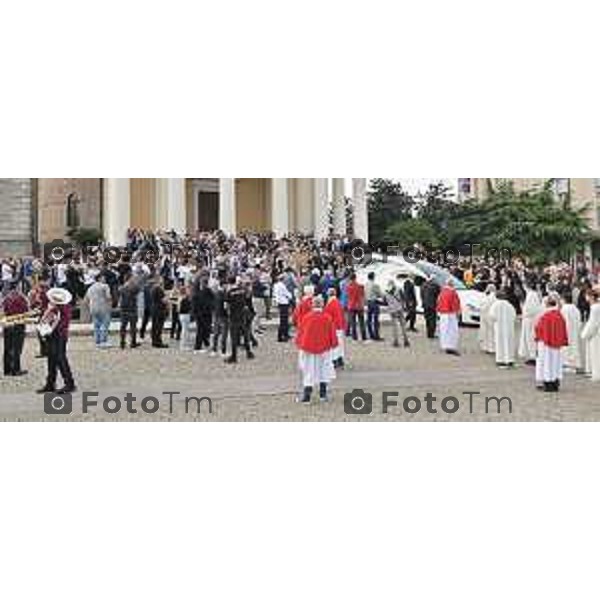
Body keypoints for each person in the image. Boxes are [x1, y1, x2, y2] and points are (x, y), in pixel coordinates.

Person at [296, 296, 338, 403]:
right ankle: (323, 395)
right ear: (322, 304)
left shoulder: (307, 317)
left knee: (308, 370)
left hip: (308, 348)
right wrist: (333, 344)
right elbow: (332, 333)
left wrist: (300, 344)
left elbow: (301, 332)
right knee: (324, 370)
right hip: (324, 348)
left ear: (312, 305)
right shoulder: (327, 317)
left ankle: (307, 396)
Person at [36, 288, 76, 394]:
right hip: (52, 335)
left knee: (61, 358)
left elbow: (63, 323)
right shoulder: (53, 307)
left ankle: (69, 383)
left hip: (60, 335)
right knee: (51, 359)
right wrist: (49, 310)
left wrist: (53, 310)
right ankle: (50, 384)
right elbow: (44, 320)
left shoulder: (65, 307)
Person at [535, 296, 569, 392]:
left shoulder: (545, 316)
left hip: (546, 344)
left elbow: (539, 329)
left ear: (547, 304)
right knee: (556, 362)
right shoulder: (560, 315)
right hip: (557, 344)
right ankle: (555, 382)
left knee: (546, 362)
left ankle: (548, 383)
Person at [224, 276, 255, 364]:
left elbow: (226, 306)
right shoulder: (242, 290)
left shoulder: (229, 292)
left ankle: (234, 356)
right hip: (242, 315)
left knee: (234, 336)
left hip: (234, 317)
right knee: (245, 334)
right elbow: (246, 300)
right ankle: (249, 352)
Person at [2, 281, 29, 377]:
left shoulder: (6, 299)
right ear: (17, 287)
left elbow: (3, 311)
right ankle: (15, 369)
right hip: (18, 324)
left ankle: (7, 369)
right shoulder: (21, 298)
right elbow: (26, 311)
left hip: (8, 324)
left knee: (7, 347)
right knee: (17, 348)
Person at [83, 274, 113, 348]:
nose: (105, 279)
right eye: (103, 278)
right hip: (103, 307)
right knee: (104, 324)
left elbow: (86, 299)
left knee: (96, 325)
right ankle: (103, 341)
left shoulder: (90, 287)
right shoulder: (105, 286)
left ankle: (97, 341)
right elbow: (108, 297)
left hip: (93, 308)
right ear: (100, 278)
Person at [489, 289, 517, 368]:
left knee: (500, 343)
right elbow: (514, 316)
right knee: (509, 343)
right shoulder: (509, 305)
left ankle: (500, 360)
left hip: (499, 327)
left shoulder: (495, 305)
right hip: (508, 327)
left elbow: (492, 316)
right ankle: (509, 359)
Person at [518, 281, 542, 366]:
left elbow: (531, 309)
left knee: (531, 338)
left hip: (530, 320)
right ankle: (532, 355)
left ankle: (533, 357)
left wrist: (524, 314)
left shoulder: (531, 295)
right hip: (530, 319)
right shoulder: (532, 294)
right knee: (529, 338)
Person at [436, 279, 461, 356]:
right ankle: (451, 346)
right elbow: (455, 303)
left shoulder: (442, 292)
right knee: (452, 330)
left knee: (444, 330)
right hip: (450, 313)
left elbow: (438, 302)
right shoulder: (453, 292)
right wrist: (457, 312)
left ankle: (444, 345)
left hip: (443, 313)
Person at [384, 277, 410, 349]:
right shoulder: (399, 289)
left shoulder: (386, 292)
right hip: (399, 309)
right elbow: (404, 298)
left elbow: (385, 302)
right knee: (403, 325)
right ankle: (406, 341)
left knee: (394, 326)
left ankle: (396, 341)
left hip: (392, 310)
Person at [561, 292, 584, 373]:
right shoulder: (576, 308)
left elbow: (563, 321)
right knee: (575, 347)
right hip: (574, 331)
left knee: (567, 349)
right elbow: (579, 320)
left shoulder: (564, 308)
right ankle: (576, 364)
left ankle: (568, 365)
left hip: (567, 331)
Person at [581, 288, 600, 382]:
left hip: (596, 334)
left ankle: (597, 374)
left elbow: (593, 323)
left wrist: (584, 334)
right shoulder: (596, 306)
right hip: (596, 333)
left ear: (592, 297)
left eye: (587, 295)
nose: (586, 297)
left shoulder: (595, 308)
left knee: (596, 353)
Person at [192, 276, 215, 353]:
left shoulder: (208, 291)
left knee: (205, 329)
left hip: (206, 313)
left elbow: (213, 301)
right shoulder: (197, 292)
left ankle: (206, 343)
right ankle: (197, 346)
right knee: (201, 330)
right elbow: (194, 304)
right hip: (201, 314)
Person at [118, 275, 141, 350]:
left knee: (123, 327)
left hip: (123, 309)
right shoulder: (134, 288)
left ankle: (122, 342)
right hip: (132, 309)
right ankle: (133, 342)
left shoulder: (121, 288)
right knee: (133, 327)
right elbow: (138, 289)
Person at [324, 288, 346, 368]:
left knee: (334, 344)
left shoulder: (330, 304)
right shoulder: (338, 302)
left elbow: (327, 316)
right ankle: (340, 359)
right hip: (339, 325)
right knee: (340, 344)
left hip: (334, 326)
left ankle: (335, 359)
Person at [346, 273, 367, 342]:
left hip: (351, 306)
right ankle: (364, 337)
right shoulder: (360, 286)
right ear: (355, 278)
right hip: (359, 306)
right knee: (361, 322)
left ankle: (354, 337)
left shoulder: (348, 287)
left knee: (353, 322)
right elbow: (363, 295)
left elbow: (348, 296)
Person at [273, 274, 292, 342]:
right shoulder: (282, 286)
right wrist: (290, 296)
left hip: (280, 303)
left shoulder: (276, 285)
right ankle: (281, 336)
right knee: (284, 320)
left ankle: (285, 334)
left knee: (283, 320)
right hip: (284, 303)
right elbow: (287, 294)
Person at [150, 279, 170, 349]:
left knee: (154, 326)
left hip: (154, 309)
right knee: (159, 327)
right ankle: (158, 342)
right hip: (159, 310)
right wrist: (168, 298)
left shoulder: (152, 289)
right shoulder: (159, 289)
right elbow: (164, 300)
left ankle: (154, 341)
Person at [365, 271, 384, 341]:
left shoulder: (366, 284)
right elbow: (380, 294)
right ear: (373, 277)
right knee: (376, 320)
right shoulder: (375, 285)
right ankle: (376, 335)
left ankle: (371, 334)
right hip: (374, 302)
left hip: (368, 302)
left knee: (369, 319)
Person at [478, 284, 497, 354]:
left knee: (486, 332)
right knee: (492, 333)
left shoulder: (486, 297)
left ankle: (487, 347)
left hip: (485, 316)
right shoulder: (495, 297)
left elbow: (482, 306)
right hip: (491, 317)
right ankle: (492, 347)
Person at [178, 285, 194, 352]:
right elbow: (188, 307)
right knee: (184, 331)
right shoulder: (184, 299)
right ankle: (183, 346)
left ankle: (185, 345)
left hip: (183, 315)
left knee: (185, 331)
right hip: (185, 315)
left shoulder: (181, 298)